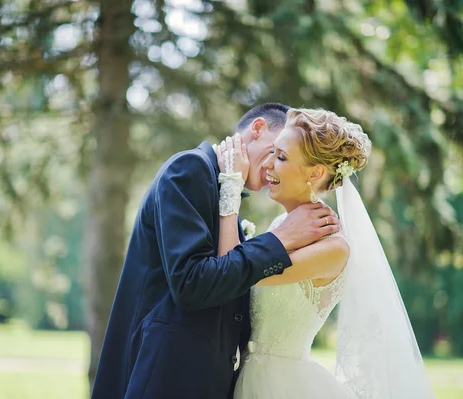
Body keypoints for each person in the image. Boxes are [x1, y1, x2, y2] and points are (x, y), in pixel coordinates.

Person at [90, 103, 342, 399]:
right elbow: (192, 282)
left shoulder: (223, 189)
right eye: (274, 151)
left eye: (282, 156)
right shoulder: (190, 168)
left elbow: (230, 282)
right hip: (167, 376)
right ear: (258, 128)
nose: (273, 164)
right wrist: (280, 238)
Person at [215, 108, 435, 398]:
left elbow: (231, 271)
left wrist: (230, 186)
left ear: (316, 173)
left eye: (281, 157)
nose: (268, 164)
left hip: (282, 386)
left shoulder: (331, 248)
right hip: (249, 376)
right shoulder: (283, 225)